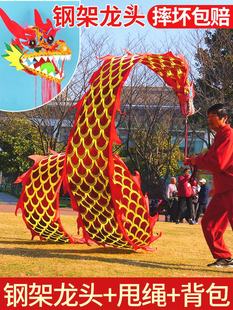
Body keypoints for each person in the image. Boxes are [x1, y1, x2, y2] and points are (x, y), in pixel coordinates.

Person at [186, 104, 233, 267]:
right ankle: (224, 257)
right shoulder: (219, 136)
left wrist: (197, 161)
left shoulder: (228, 135)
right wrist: (195, 160)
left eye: (212, 117)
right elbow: (212, 159)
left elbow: (219, 163)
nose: (209, 121)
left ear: (224, 118)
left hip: (230, 186)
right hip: (223, 188)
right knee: (209, 223)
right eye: (208, 118)